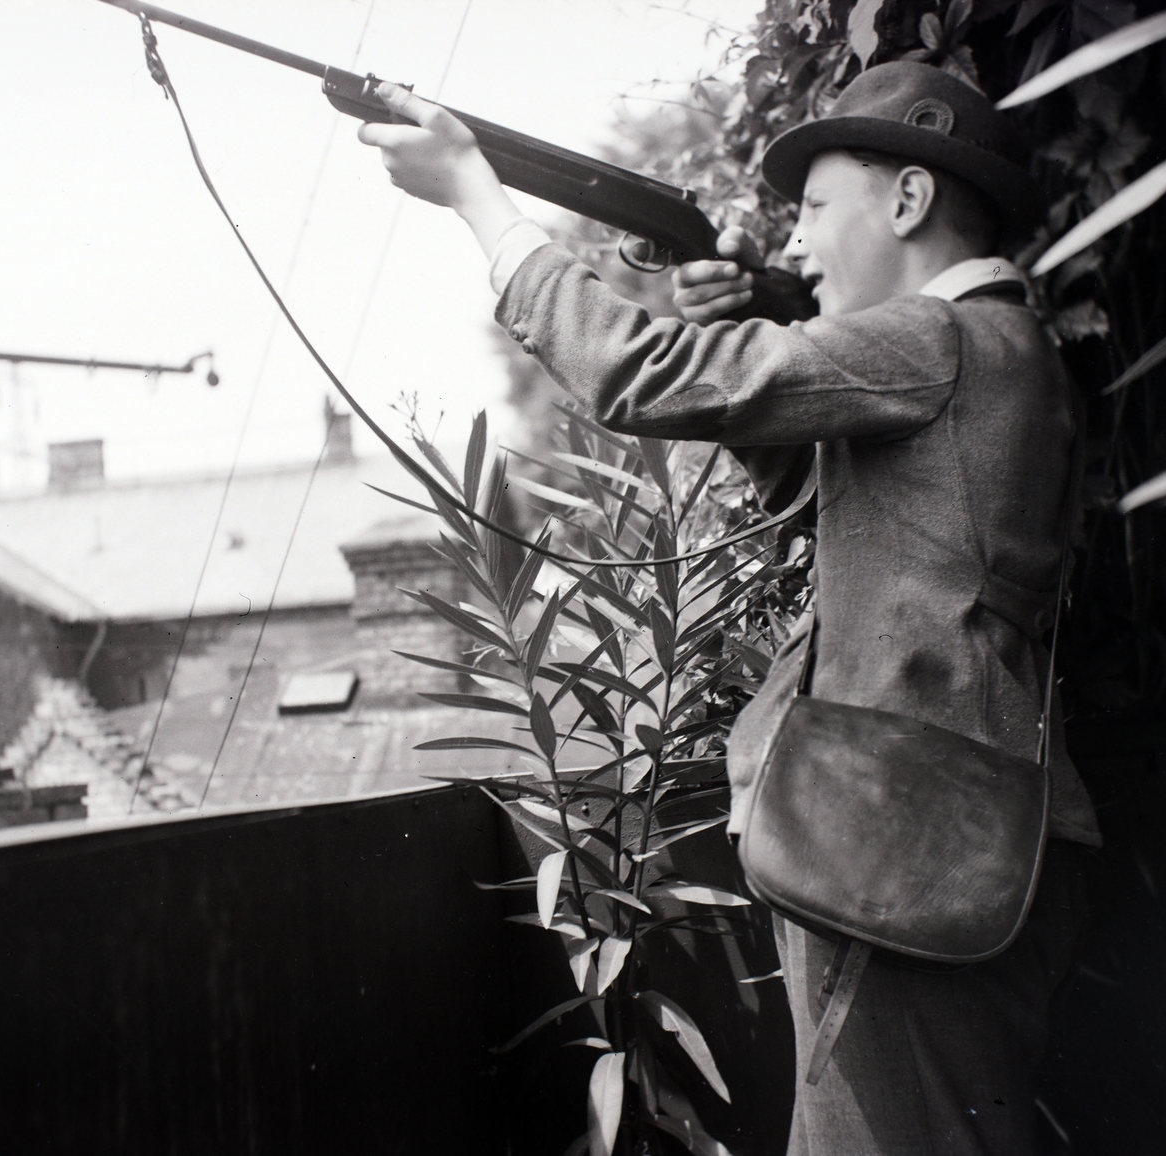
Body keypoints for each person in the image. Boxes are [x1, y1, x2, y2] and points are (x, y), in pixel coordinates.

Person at [359, 61, 1101, 1155]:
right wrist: (737, 321)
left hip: (904, 842)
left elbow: (642, 377)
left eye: (812, 209)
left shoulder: (938, 337)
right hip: (938, 835)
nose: (794, 246)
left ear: (907, 203)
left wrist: (479, 199)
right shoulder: (995, 346)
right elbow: (838, 507)